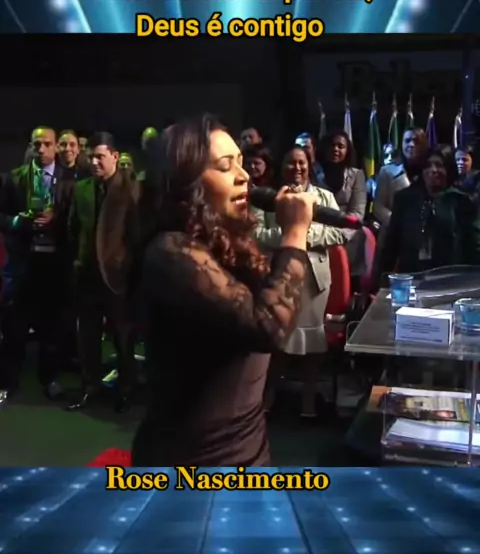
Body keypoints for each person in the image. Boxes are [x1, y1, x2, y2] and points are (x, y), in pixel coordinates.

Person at [131, 114, 314, 466]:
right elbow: (267, 326)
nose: (244, 176)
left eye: (241, 163)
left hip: (248, 451)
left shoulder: (228, 243)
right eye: (226, 166)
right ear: (188, 181)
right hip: (194, 466)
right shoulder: (170, 252)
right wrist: (295, 234)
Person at [253, 144, 346, 416]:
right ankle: (268, 397)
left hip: (314, 280)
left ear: (309, 165)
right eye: (291, 163)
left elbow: (341, 233)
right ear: (282, 167)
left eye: (302, 162)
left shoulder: (324, 196)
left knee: (313, 344)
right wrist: (290, 234)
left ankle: (308, 400)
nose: (297, 168)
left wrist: (304, 235)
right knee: (277, 339)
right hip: (279, 277)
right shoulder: (269, 197)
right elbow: (257, 234)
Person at [67, 132, 137, 413]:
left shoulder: (130, 189)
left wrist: (127, 267)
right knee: (88, 336)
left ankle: (126, 389)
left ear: (115, 157)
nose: (94, 162)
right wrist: (78, 259)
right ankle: (90, 387)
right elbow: (73, 228)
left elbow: (136, 235)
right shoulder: (81, 189)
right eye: (92, 157)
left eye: (100, 157)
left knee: (122, 336)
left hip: (118, 276)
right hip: (87, 274)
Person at [0, 126, 72, 401]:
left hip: (54, 264)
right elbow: (1, 216)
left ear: (56, 147)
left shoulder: (70, 181)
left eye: (47, 144)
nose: (41, 149)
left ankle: (50, 379)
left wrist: (58, 218)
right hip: (22, 262)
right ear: (30, 146)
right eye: (36, 144)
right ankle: (8, 382)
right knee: (14, 328)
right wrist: (18, 221)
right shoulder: (14, 178)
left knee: (51, 328)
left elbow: (78, 220)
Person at [379, 146, 480, 276]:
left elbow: (473, 247)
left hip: (450, 277)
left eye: (439, 165)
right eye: (427, 166)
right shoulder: (405, 199)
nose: (433, 170)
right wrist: (382, 278)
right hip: (412, 276)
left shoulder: (461, 201)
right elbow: (391, 245)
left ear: (448, 169)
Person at [317, 130, 367, 281]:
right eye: (332, 145)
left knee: (358, 235)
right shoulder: (314, 174)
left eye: (341, 146)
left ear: (347, 151)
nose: (336, 149)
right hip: (320, 229)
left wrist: (338, 234)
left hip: (348, 230)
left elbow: (357, 213)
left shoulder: (356, 175)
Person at [373, 127, 428, 227]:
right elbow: (378, 207)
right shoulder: (387, 172)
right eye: (407, 141)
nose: (411, 145)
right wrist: (397, 222)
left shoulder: (429, 172)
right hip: (394, 230)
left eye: (416, 141)